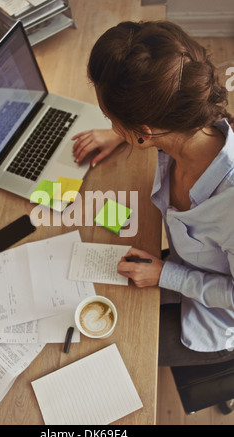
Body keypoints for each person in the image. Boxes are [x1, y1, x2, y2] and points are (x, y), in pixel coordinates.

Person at [72, 20, 234, 366]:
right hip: (180, 263)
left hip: (215, 320)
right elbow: (162, 114)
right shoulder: (184, 127)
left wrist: (166, 276)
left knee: (108, 348)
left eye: (109, 117)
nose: (108, 122)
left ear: (147, 129)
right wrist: (121, 133)